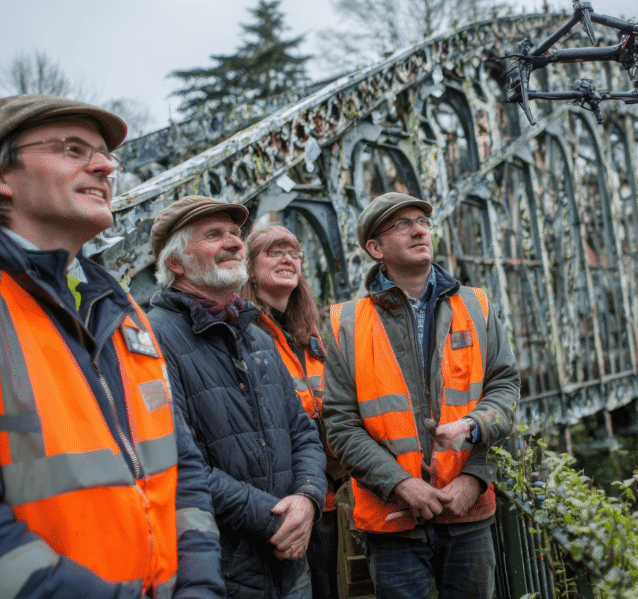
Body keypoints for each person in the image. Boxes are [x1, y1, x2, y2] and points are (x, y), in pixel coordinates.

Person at [0, 95, 225, 598]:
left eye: (104, 155)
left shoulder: (124, 312)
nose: (104, 166)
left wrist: (200, 587)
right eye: (73, 149)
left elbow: (182, 472)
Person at [322, 192, 521, 599]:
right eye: (401, 224)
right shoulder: (347, 323)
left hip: (467, 512)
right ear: (375, 248)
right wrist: (399, 483)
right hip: (392, 518)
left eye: (423, 222)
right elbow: (340, 426)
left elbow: (505, 389)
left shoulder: (476, 305)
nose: (418, 230)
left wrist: (475, 474)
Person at [145, 196, 327, 599]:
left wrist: (308, 497)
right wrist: (275, 518)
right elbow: (176, 463)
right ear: (175, 263)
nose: (234, 243)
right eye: (214, 235)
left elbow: (302, 433)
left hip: (291, 565)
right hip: (222, 569)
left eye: (235, 234)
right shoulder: (153, 340)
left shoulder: (257, 338)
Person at [243, 226, 344, 599]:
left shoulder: (315, 339)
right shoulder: (245, 335)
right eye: (274, 252)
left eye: (294, 253)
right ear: (249, 269)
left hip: (328, 500)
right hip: (282, 505)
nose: (288, 259)